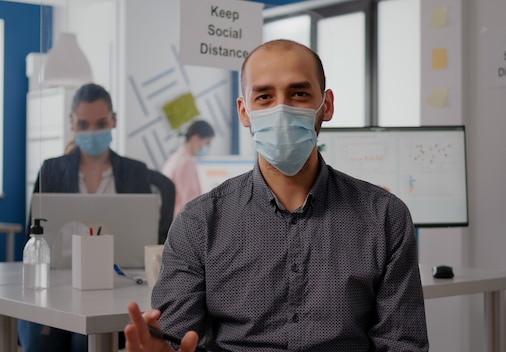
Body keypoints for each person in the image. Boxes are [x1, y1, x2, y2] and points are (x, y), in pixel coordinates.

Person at [124, 39, 429, 352]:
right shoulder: (198, 223)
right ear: (244, 111)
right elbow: (176, 340)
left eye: (299, 93)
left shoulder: (384, 217)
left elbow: (401, 344)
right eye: (265, 96)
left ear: (327, 105)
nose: (281, 109)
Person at [18, 83, 153, 352]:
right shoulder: (52, 170)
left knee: (86, 342)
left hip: (116, 284)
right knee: (40, 342)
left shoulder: (136, 172)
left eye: (101, 123)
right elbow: (33, 236)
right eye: (83, 124)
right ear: (72, 124)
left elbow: (149, 239)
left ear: (114, 120)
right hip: (58, 285)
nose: (92, 132)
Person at [161, 119, 215, 217]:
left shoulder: (177, 157)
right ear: (195, 138)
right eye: (207, 143)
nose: (207, 147)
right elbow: (191, 201)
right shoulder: (186, 162)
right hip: (182, 220)